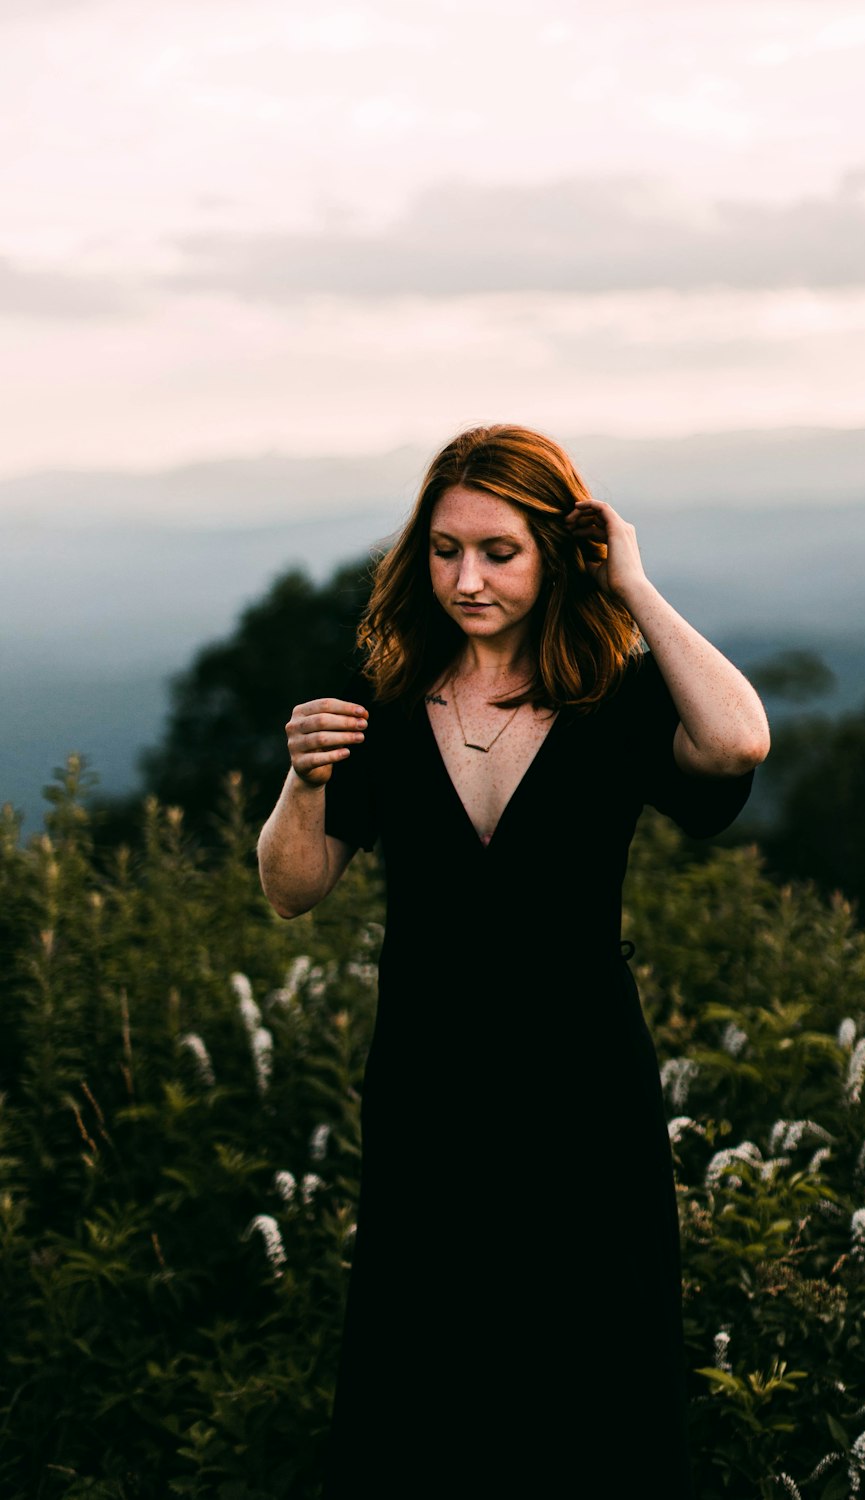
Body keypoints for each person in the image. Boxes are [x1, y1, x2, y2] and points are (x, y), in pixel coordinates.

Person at [256, 424, 770, 1496]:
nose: (467, 578)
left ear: (555, 554)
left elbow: (735, 743)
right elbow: (292, 889)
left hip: (584, 1091)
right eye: (445, 551)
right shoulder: (384, 709)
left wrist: (631, 582)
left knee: (594, 1381)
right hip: (427, 1091)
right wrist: (301, 782)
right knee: (426, 1386)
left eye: (499, 551)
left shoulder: (615, 699)